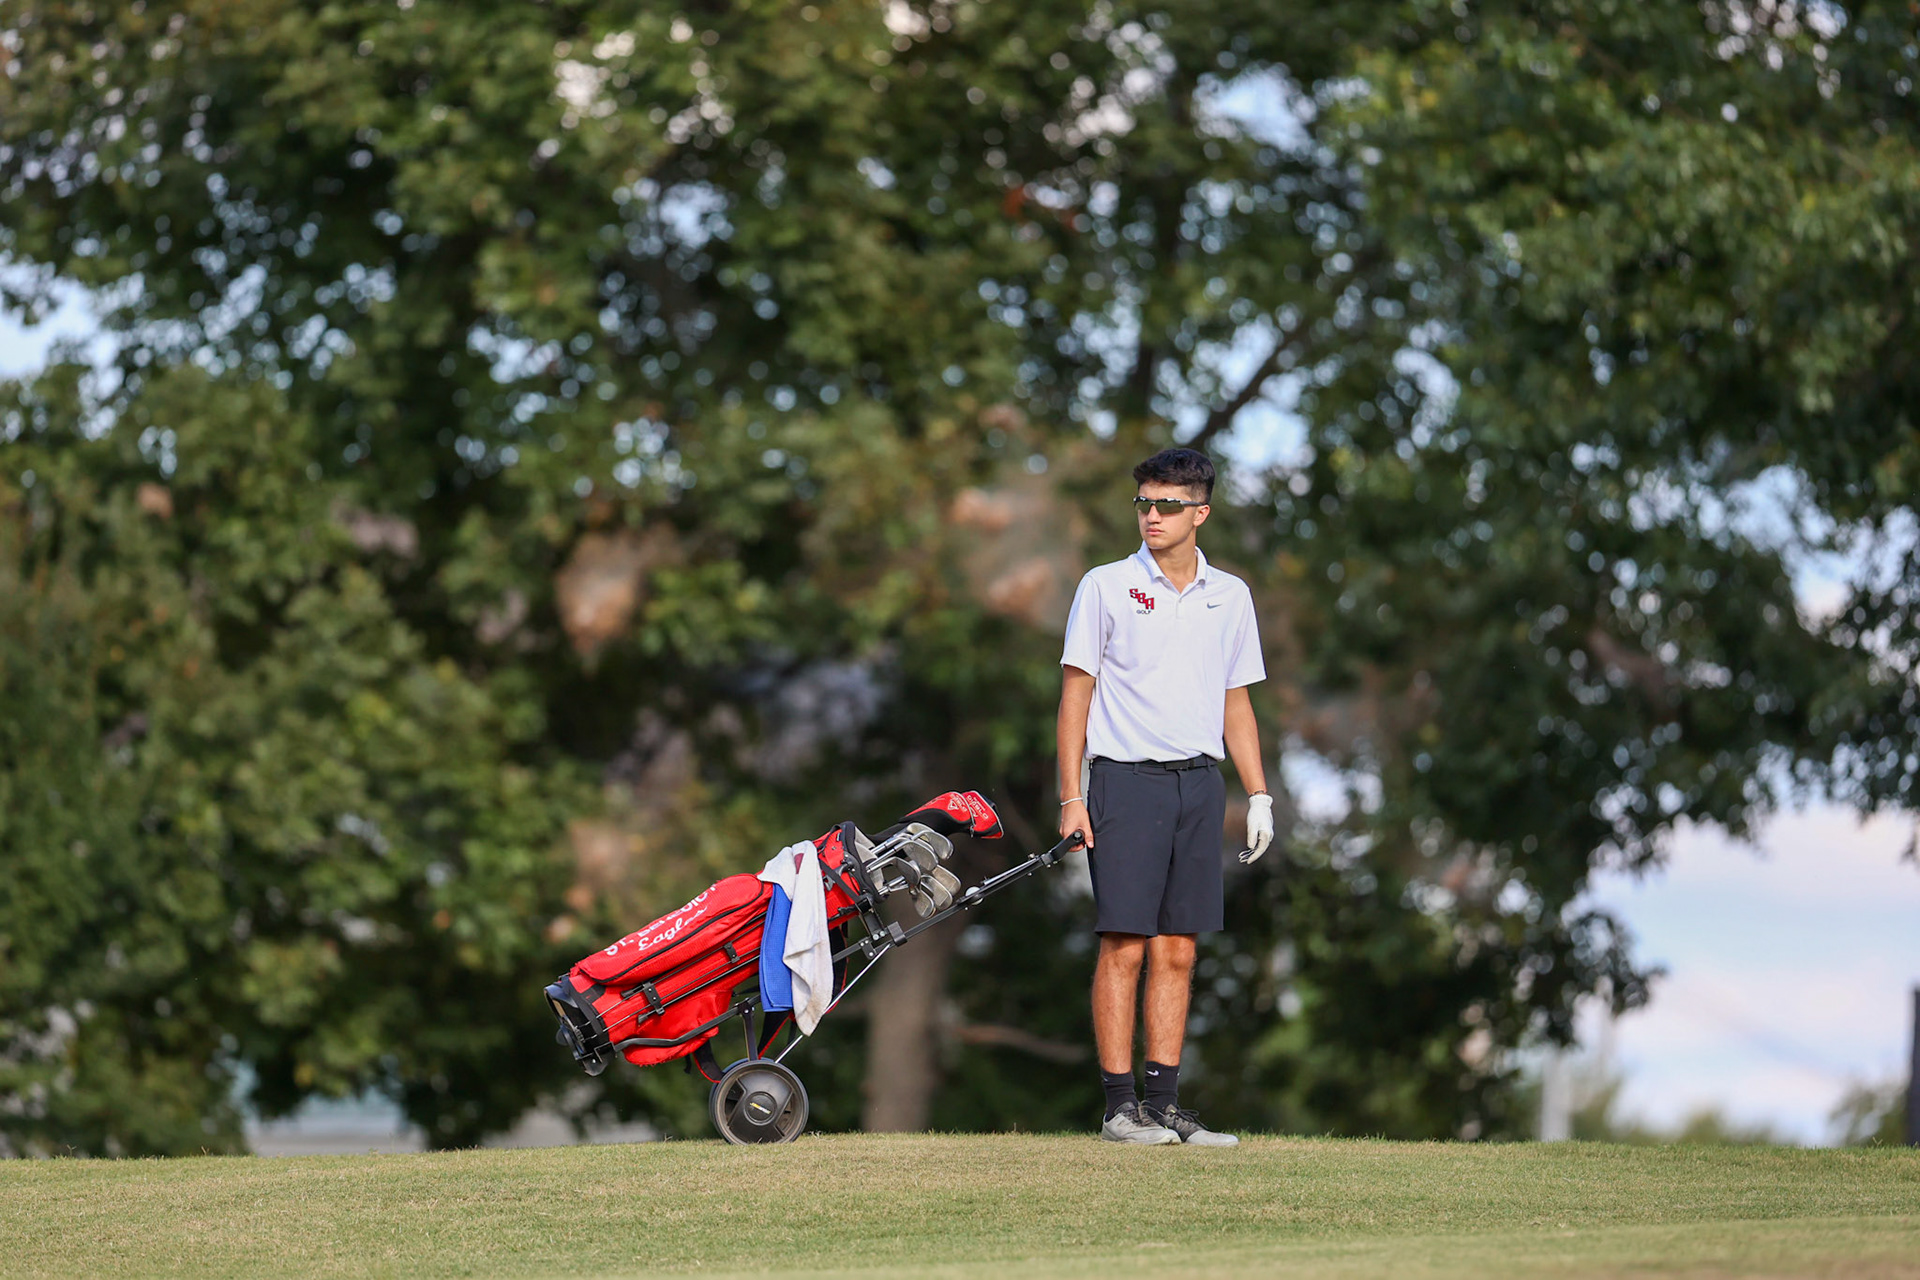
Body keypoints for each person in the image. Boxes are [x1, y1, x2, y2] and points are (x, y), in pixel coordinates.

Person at [1057, 447, 1274, 1146]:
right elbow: (1074, 697)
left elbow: (1235, 703)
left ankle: (1164, 1105)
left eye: (1168, 505)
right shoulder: (1106, 586)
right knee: (1124, 944)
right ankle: (1120, 1107)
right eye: (1144, 503)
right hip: (1123, 780)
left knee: (1178, 949)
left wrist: (1259, 793)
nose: (1152, 515)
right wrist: (1072, 796)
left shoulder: (1229, 596)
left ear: (1200, 513)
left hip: (1198, 783)